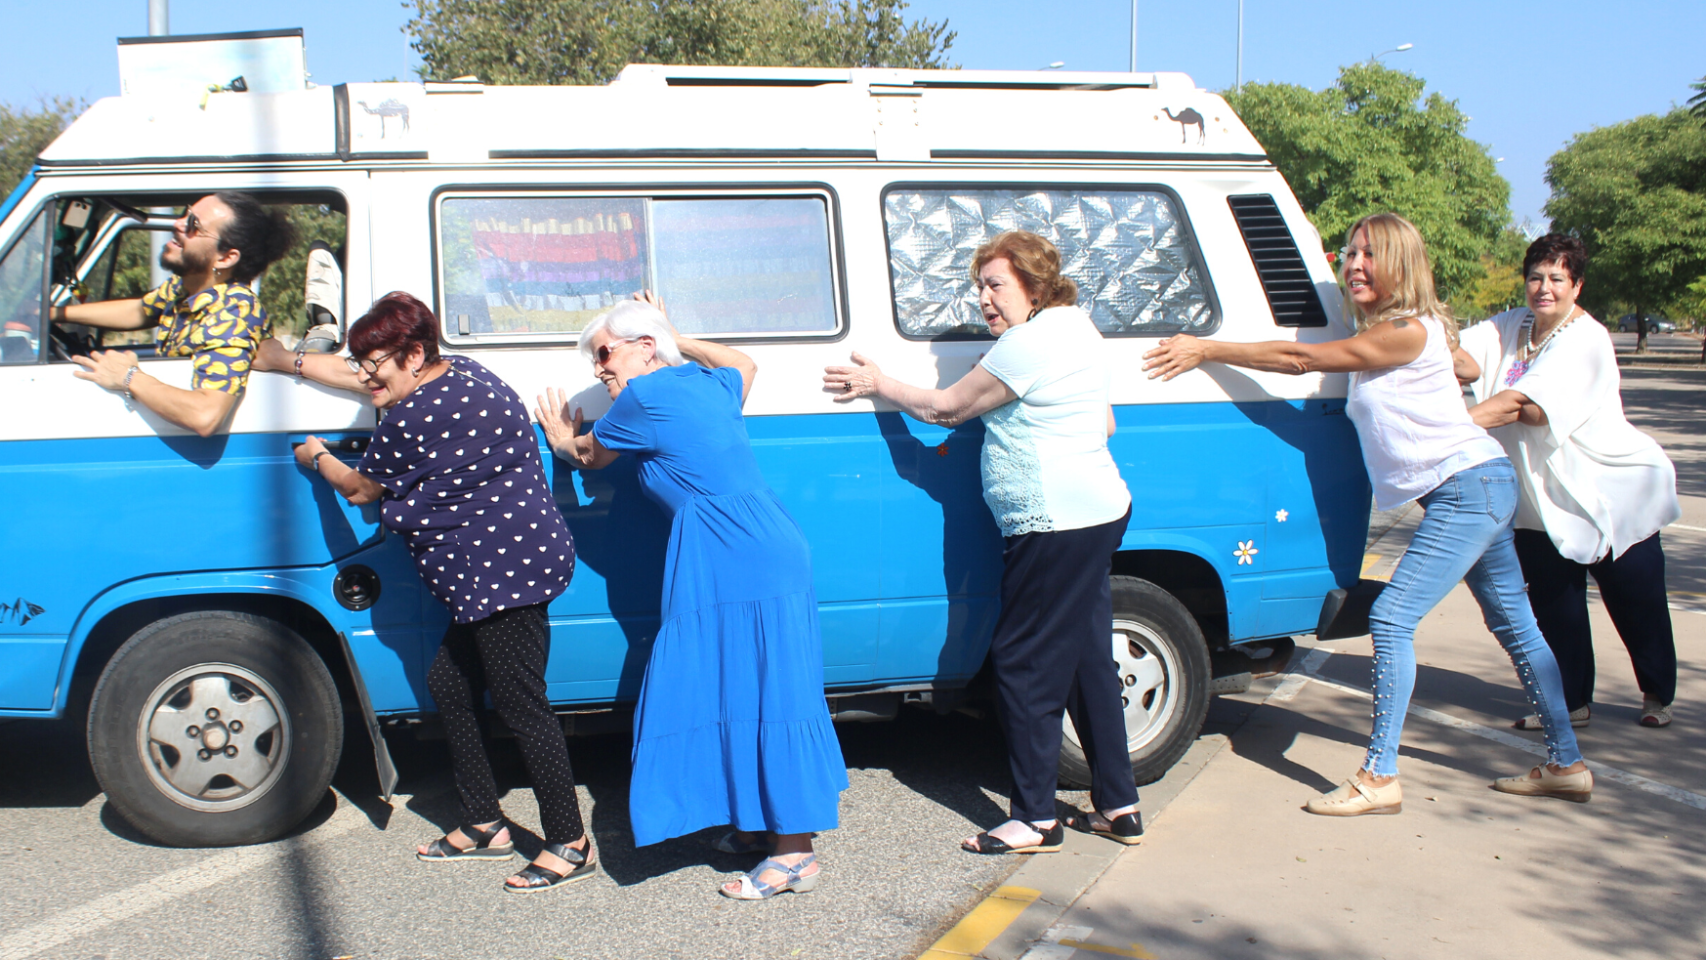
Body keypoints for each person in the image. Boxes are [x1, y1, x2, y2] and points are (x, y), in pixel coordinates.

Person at [1143, 212, 1593, 814]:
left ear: (1399, 264)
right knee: (1515, 625)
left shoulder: (1404, 331)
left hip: (1467, 487)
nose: (1354, 265)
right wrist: (1444, 365)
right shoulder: (1415, 330)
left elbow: (1301, 360)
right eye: (1349, 253)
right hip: (1476, 484)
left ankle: (1379, 776)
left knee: (1392, 620)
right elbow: (1465, 366)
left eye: (1369, 255)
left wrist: (1207, 347)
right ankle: (1566, 764)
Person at [824, 230, 1141, 854]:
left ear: (1035, 284)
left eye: (996, 285)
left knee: (1023, 664)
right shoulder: (1077, 328)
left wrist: (879, 384)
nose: (985, 299)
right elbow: (1104, 422)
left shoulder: (1027, 345)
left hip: (1053, 522)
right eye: (980, 288)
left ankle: (1035, 818)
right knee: (1084, 659)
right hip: (1100, 509)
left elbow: (945, 410)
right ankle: (1118, 804)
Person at [536, 295, 847, 900]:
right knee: (747, 684)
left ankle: (796, 855)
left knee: (766, 690)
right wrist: (679, 335)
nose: (600, 368)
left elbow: (589, 456)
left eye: (605, 352)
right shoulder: (707, 383)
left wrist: (557, 437)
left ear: (643, 348)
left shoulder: (643, 399)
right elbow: (745, 364)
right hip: (753, 544)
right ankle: (764, 826)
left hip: (732, 551)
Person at [281, 292, 594, 893]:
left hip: (502, 575)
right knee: (449, 682)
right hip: (512, 560)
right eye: (359, 363)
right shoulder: (467, 373)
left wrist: (318, 456)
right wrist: (295, 364)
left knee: (524, 706)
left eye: (374, 364)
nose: (365, 377)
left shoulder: (409, 419)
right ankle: (483, 821)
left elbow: (362, 490)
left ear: (415, 355)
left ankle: (570, 841)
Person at [1462, 233, 1679, 729]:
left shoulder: (1587, 339)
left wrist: (1450, 428)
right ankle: (1571, 703)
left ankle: (1657, 694)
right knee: (1555, 610)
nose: (1544, 288)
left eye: (1557, 278)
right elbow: (1464, 359)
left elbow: (1528, 410)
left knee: (1636, 605)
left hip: (1612, 497)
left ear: (1576, 285)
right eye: (1536, 277)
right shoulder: (1513, 325)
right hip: (1542, 501)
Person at [54, 193, 293, 436]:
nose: (177, 224)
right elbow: (140, 311)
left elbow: (205, 416)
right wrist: (54, 314)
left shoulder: (233, 311)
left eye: (193, 225)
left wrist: (128, 378)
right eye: (185, 214)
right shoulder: (185, 288)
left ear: (226, 258)